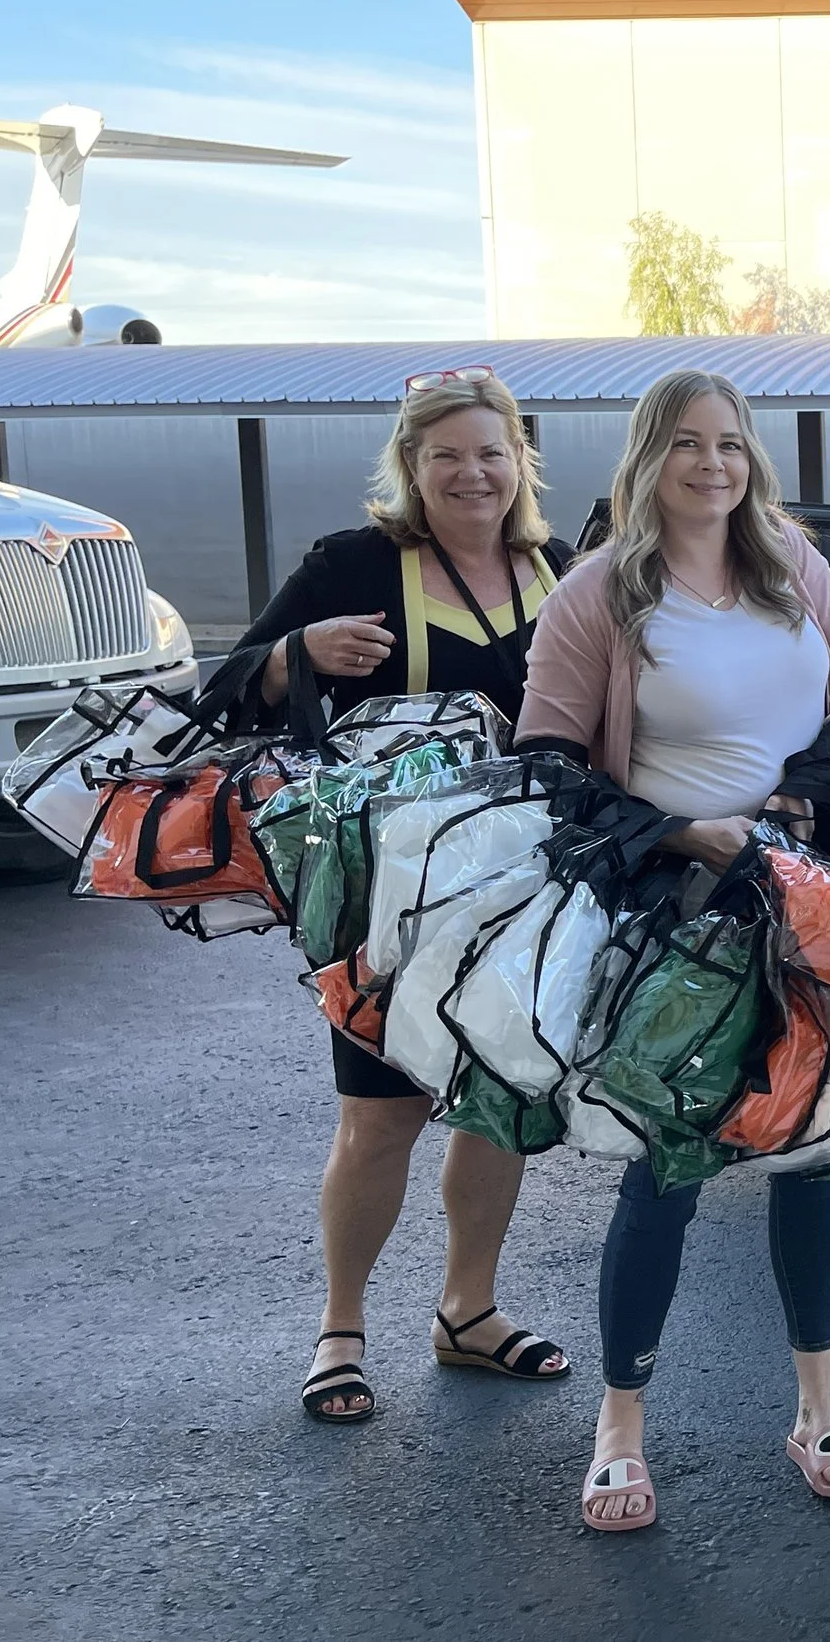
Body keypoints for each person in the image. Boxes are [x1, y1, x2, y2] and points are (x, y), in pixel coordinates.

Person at [514, 367, 830, 1533]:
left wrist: (819, 771)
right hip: (679, 912)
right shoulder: (599, 591)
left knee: (811, 1153)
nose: (712, 465)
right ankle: (620, 1426)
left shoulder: (786, 559)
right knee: (668, 1170)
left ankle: (819, 1406)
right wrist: (690, 828)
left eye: (730, 445)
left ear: (753, 460)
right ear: (648, 459)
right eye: (686, 444)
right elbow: (548, 761)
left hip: (808, 898)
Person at [228, 366, 578, 1426]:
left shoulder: (556, 569)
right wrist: (298, 655)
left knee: (502, 1103)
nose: (471, 474)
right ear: (411, 468)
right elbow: (224, 682)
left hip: (526, 890)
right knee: (381, 1117)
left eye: (490, 453)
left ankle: (467, 1312)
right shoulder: (354, 564)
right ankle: (341, 1325)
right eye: (446, 457)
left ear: (520, 462)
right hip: (387, 896)